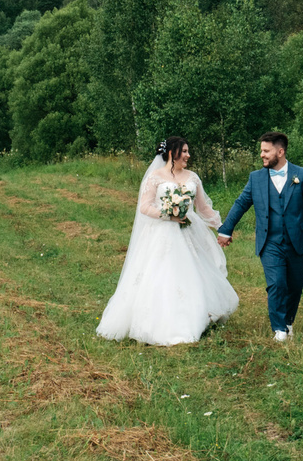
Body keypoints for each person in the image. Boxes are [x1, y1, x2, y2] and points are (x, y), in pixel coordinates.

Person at [95, 136, 241, 346]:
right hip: (162, 233)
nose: (188, 156)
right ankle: (160, 322)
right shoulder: (155, 177)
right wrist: (168, 215)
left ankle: (198, 314)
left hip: (189, 231)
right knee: (162, 273)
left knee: (193, 270)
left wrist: (223, 228)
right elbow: (144, 207)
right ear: (172, 153)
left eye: (188, 151)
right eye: (185, 151)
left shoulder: (193, 177)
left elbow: (203, 208)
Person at [216, 131, 303, 343]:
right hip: (269, 241)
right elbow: (241, 203)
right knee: (277, 284)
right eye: (261, 151)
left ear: (280, 152)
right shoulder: (256, 178)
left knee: (296, 283)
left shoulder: (302, 175)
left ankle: (289, 320)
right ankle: (279, 329)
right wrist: (226, 229)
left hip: (297, 241)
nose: (262, 155)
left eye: (266, 151)